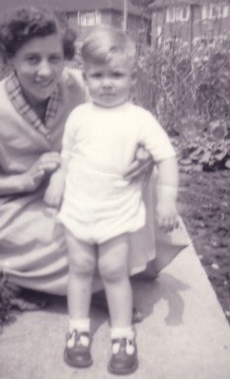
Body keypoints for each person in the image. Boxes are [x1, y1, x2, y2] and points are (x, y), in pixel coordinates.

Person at [0, 6, 185, 312]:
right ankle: (79, 285)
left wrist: (143, 152)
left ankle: (100, 279)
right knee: (77, 234)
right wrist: (22, 180)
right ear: (10, 59)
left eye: (54, 58)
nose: (45, 71)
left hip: (70, 191)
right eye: (32, 59)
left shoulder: (79, 85)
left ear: (65, 57)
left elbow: (124, 120)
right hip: (11, 209)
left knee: (134, 181)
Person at [44, 26, 179, 375]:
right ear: (85, 77)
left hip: (117, 213)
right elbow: (68, 155)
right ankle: (78, 328)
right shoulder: (80, 117)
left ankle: (122, 334)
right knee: (80, 269)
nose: (107, 83)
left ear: (132, 78)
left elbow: (166, 157)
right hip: (78, 210)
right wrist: (58, 179)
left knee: (114, 270)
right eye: (98, 75)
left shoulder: (140, 120)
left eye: (116, 75)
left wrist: (166, 200)